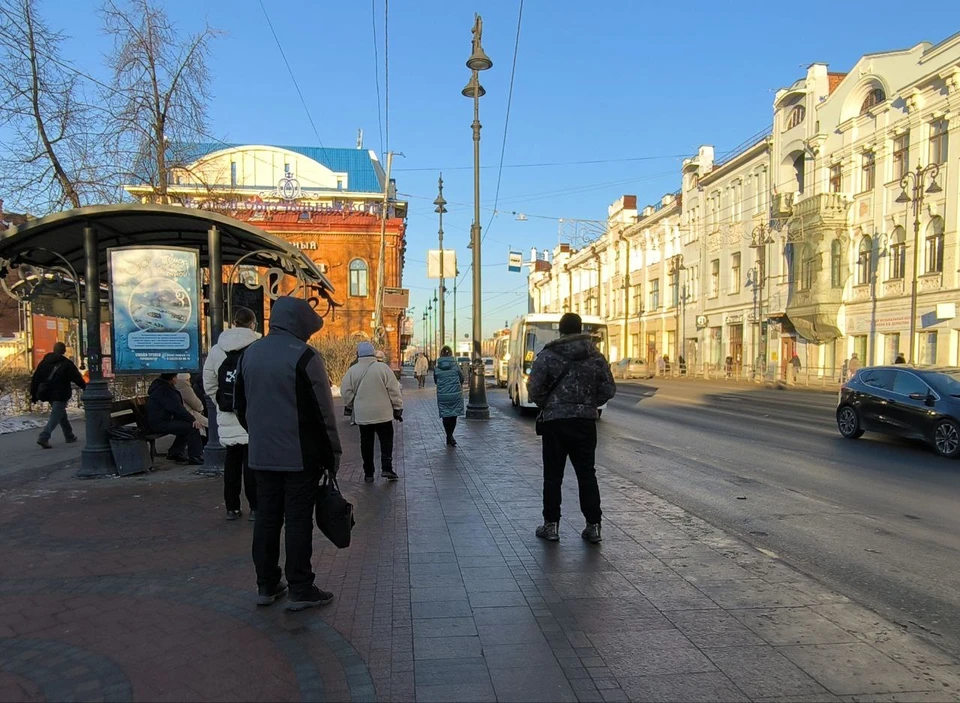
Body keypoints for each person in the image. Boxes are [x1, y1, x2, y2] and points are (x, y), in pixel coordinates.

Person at [234, 297, 341, 611]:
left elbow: (240, 407)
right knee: (297, 521)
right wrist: (332, 454)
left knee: (266, 519)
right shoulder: (305, 356)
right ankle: (300, 587)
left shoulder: (249, 354)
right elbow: (324, 413)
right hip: (299, 456)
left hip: (261, 455)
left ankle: (267, 583)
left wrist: (259, 434)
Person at [528, 313, 616, 544]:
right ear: (580, 328)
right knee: (587, 473)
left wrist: (549, 404)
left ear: (561, 331)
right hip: (585, 422)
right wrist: (587, 404)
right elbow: (609, 389)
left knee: (553, 475)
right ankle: (593, 526)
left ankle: (551, 526)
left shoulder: (548, 355)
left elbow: (534, 389)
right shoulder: (595, 356)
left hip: (555, 423)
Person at [203, 306, 261, 521]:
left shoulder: (218, 349)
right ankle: (255, 507)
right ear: (253, 324)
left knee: (231, 463)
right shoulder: (258, 346)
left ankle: (232, 507)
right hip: (253, 415)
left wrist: (219, 400)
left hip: (227, 413)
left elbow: (208, 380)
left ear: (234, 322)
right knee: (251, 464)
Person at [341, 341, 402, 483]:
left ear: (358, 354)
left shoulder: (352, 370)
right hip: (383, 413)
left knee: (366, 442)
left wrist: (352, 404)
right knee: (386, 440)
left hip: (363, 414)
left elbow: (346, 391)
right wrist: (397, 407)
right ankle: (387, 468)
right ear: (373, 353)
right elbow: (393, 390)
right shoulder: (383, 368)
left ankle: (368, 472)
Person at [30, 341, 85, 449]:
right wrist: (85, 387)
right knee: (56, 415)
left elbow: (36, 379)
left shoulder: (44, 362)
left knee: (60, 413)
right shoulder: (66, 363)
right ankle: (44, 436)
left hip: (47, 393)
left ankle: (69, 435)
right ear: (64, 351)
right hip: (61, 393)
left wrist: (34, 394)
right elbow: (76, 377)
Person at [146, 373, 204, 465]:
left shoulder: (162, 388)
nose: (177, 379)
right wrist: (192, 419)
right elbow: (177, 408)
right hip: (159, 423)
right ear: (172, 379)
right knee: (192, 428)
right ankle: (195, 456)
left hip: (158, 421)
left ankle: (175, 452)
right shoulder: (165, 390)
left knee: (186, 426)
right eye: (176, 377)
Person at [434, 346, 465, 446]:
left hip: (443, 395)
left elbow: (436, 381)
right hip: (455, 395)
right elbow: (462, 378)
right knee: (453, 416)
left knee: (445, 416)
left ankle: (449, 436)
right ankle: (450, 436)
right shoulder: (455, 365)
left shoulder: (437, 367)